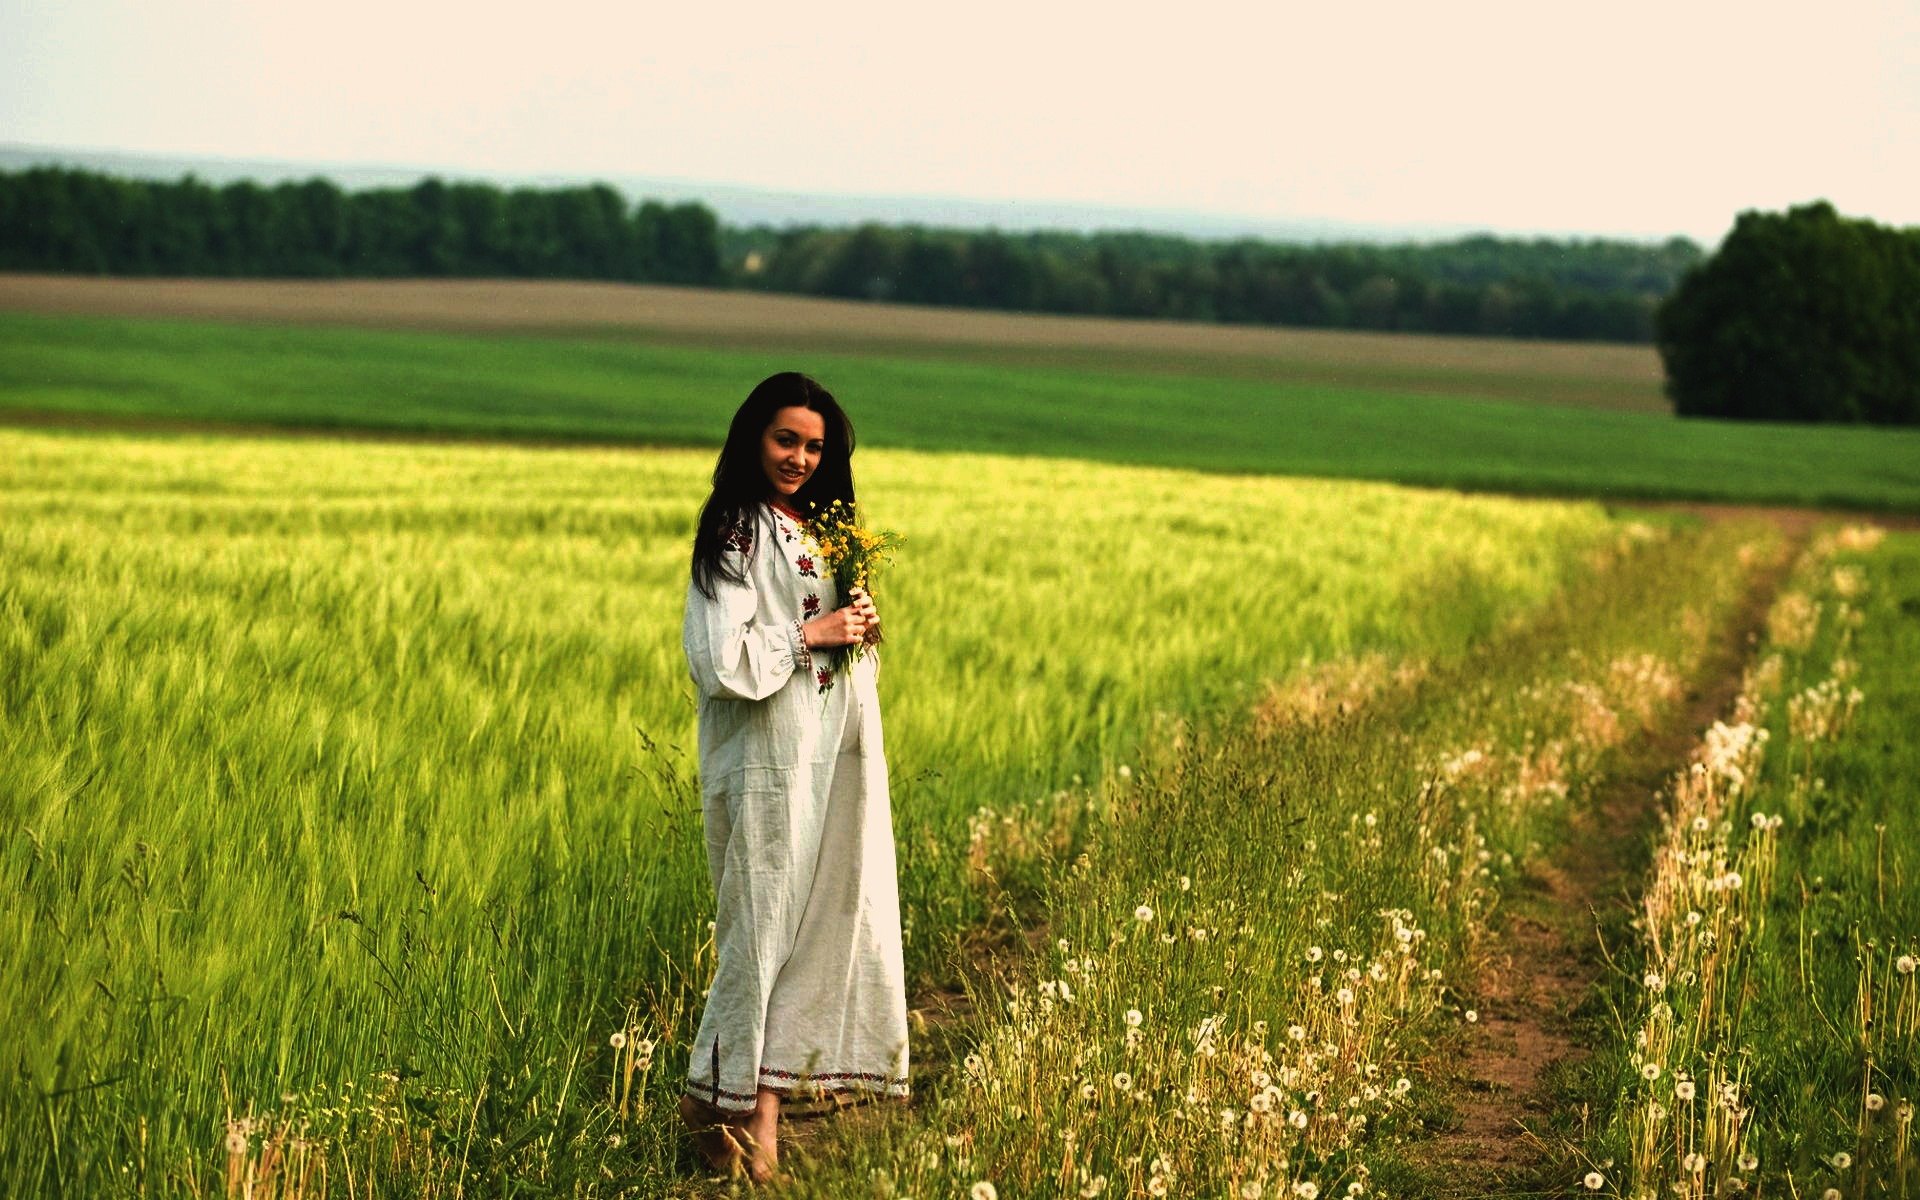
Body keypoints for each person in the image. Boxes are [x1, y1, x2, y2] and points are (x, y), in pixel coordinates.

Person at [676, 372, 909, 1182]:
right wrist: (816, 631)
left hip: (834, 756)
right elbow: (718, 658)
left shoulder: (826, 531)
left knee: (823, 924)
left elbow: (833, 639)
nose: (800, 458)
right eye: (786, 440)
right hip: (769, 763)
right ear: (753, 438)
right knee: (762, 928)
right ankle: (720, 1104)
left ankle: (759, 1114)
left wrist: (859, 625)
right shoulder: (738, 529)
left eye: (815, 446)